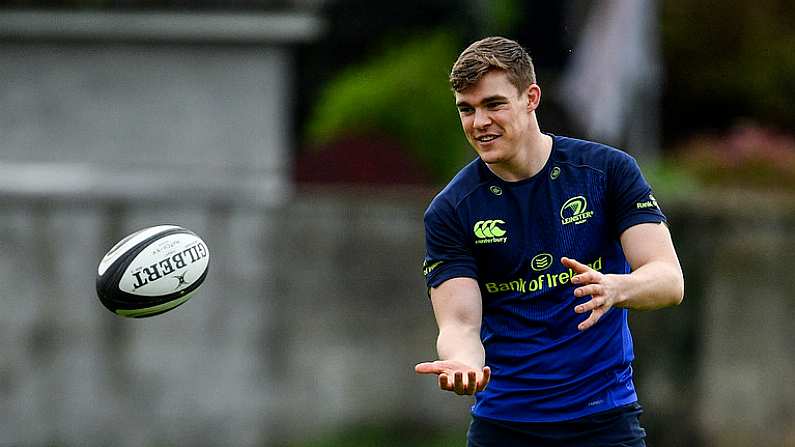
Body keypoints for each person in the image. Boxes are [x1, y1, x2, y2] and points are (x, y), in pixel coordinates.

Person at [415, 36, 684, 447]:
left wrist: (616, 287)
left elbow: (669, 279)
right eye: (466, 110)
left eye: (493, 104)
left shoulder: (607, 172)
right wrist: (462, 363)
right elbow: (460, 323)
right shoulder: (452, 210)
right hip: (505, 424)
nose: (479, 122)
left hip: (604, 419)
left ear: (531, 98)